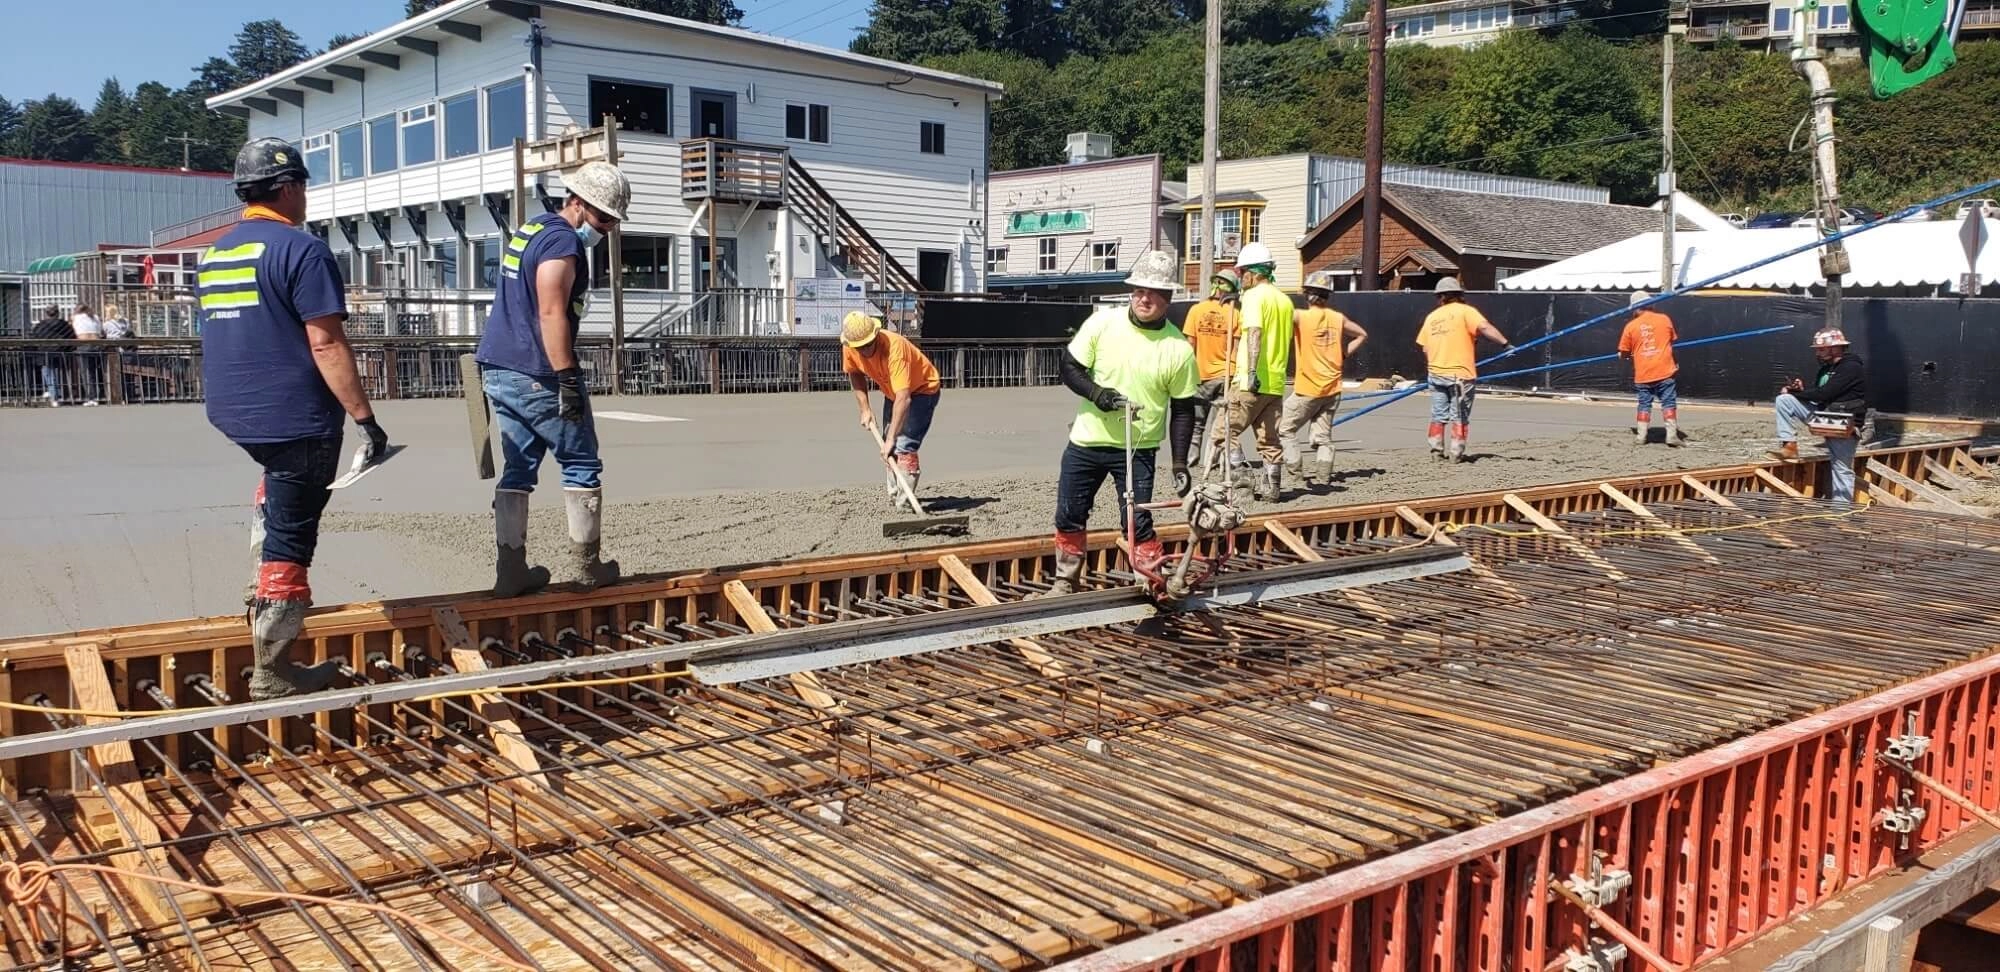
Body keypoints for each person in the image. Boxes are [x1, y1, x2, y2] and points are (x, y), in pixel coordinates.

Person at [197, 137, 390, 700]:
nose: (305, 196)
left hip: (234, 410)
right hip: (295, 414)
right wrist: (365, 420)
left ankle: (258, 597)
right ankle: (273, 669)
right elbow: (326, 343)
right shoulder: (303, 251)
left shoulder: (217, 253)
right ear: (287, 188)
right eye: (303, 185)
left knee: (278, 490)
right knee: (293, 534)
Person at [476, 159, 632, 597]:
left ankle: (510, 572)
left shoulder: (533, 229)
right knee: (581, 463)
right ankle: (586, 568)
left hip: (499, 367)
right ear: (578, 203)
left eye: (614, 221)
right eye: (604, 218)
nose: (608, 228)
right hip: (539, 371)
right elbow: (550, 311)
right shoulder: (563, 242)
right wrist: (565, 377)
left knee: (519, 467)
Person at [1045, 249, 1199, 596]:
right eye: (1139, 291)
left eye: (1154, 293)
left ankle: (1151, 580)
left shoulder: (1178, 349)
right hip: (1088, 440)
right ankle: (1065, 580)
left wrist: (1179, 462)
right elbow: (1069, 367)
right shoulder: (1103, 324)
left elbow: (1183, 409)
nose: (1145, 299)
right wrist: (1097, 393)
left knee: (1137, 519)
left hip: (1138, 447)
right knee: (1069, 512)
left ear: (1168, 297)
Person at [841, 311, 942, 508]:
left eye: (868, 345)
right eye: (860, 347)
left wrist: (891, 440)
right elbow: (855, 373)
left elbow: (904, 398)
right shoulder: (850, 347)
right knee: (889, 447)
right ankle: (895, 494)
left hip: (922, 390)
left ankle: (904, 504)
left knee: (903, 445)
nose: (864, 351)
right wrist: (865, 409)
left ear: (875, 335)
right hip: (892, 392)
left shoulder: (894, 348)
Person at [1219, 241, 1293, 500]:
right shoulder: (1284, 301)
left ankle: (1242, 481)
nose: (1240, 278)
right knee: (1269, 439)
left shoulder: (1253, 297)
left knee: (1224, 431)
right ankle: (1272, 488)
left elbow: (1255, 333)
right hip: (1275, 383)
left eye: (1241, 273)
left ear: (1253, 272)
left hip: (1251, 382)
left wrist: (1251, 372)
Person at [1284, 271, 1368, 486]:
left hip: (1307, 389)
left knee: (1285, 430)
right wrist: (1344, 353)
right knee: (1322, 437)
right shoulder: (1337, 318)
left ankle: (1295, 475)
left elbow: (1279, 316)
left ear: (1307, 295)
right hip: (1332, 389)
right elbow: (1362, 334)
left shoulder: (1300, 317)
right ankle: (1323, 477)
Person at [1417, 277, 1513, 463]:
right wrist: (1505, 344)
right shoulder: (1466, 311)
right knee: (1459, 416)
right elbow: (1484, 327)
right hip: (1460, 374)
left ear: (1440, 297)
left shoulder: (1432, 317)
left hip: (1436, 374)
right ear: (1460, 295)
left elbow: (1425, 348)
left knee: (1438, 415)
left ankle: (1436, 451)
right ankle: (1456, 454)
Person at [1770, 328, 1866, 503]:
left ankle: (1841, 510)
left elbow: (1826, 393)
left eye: (1821, 349)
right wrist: (1799, 392)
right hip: (1825, 416)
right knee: (1784, 400)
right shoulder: (1827, 369)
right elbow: (1819, 394)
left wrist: (1798, 394)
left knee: (1841, 468)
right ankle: (1789, 445)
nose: (1817, 353)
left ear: (1835, 348)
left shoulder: (1851, 367)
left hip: (1843, 422)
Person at [1181, 268, 1240, 469]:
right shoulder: (1235, 314)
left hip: (1201, 374)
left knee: (1197, 421)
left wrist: (1187, 373)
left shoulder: (1196, 310)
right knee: (1220, 424)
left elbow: (1190, 344)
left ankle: (1191, 456)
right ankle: (1214, 460)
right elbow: (1236, 348)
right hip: (1226, 375)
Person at [1617, 292, 1680, 447]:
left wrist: (1622, 355)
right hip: (1665, 370)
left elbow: (1624, 352)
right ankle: (1671, 435)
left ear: (1635, 308)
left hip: (1643, 373)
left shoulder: (1631, 326)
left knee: (1644, 404)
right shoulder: (1664, 319)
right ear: (1651, 304)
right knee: (1668, 402)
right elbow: (1671, 341)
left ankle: (1641, 436)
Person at [30, 306, 72, 406]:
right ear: (58, 313)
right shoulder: (64, 324)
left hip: (44, 351)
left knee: (48, 373)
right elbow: (71, 336)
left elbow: (34, 337)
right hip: (60, 351)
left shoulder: (41, 325)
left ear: (46, 313)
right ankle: (55, 392)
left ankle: (54, 396)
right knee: (56, 374)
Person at [70, 303, 103, 405]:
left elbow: (73, 331)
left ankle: (91, 397)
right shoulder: (95, 317)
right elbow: (100, 331)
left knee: (86, 372)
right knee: (96, 371)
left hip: (83, 345)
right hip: (96, 344)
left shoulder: (76, 317)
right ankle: (100, 395)